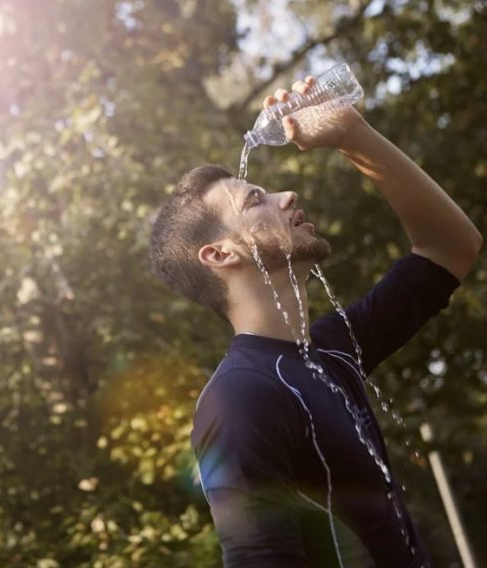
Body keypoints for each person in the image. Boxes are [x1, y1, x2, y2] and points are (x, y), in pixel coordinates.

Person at [148, 75, 482, 567]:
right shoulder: (239, 398)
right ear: (219, 253)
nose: (287, 196)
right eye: (256, 200)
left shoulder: (332, 349)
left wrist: (352, 133)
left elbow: (450, 248)